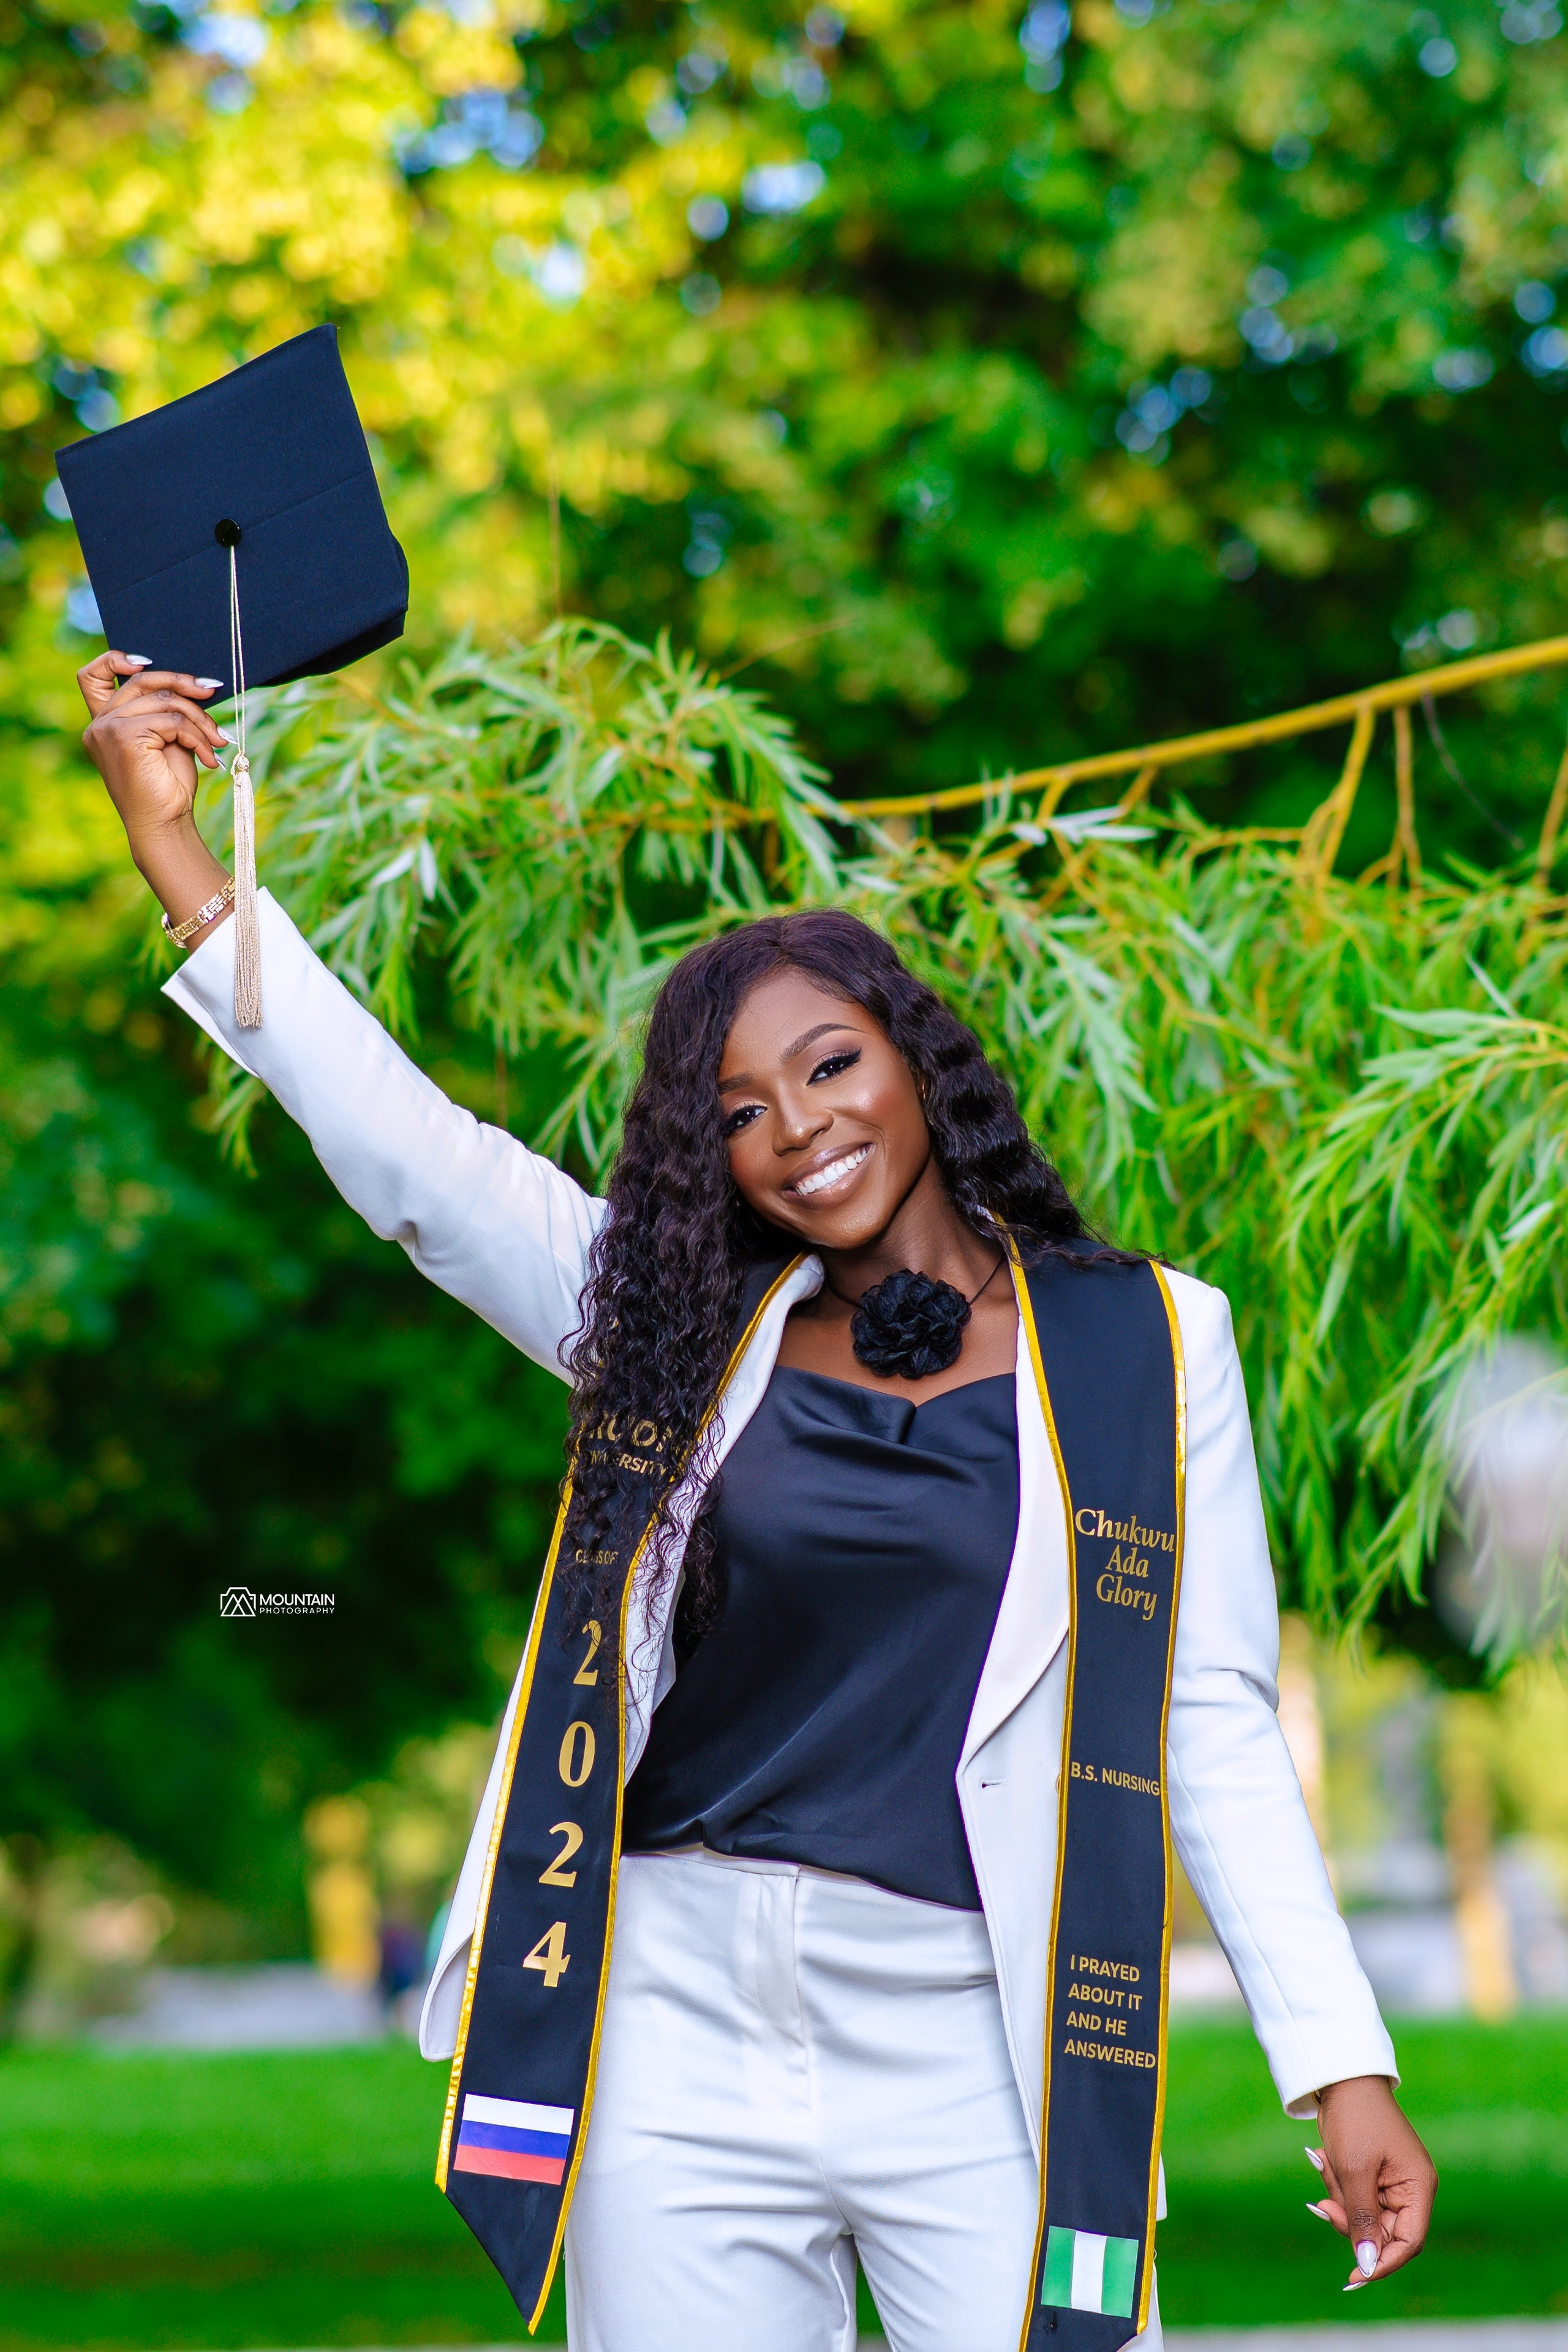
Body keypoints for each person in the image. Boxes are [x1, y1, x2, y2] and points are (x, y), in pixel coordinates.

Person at [78, 649, 1437, 2352]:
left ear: (916, 1065)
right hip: (677, 2020)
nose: (797, 1130)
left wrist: (1339, 2063)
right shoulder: (669, 1335)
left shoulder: (1152, 1343)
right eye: (737, 1113)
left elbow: (1215, 1721)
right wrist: (182, 859)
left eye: (829, 1067)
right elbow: (416, 1157)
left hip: (984, 2029)